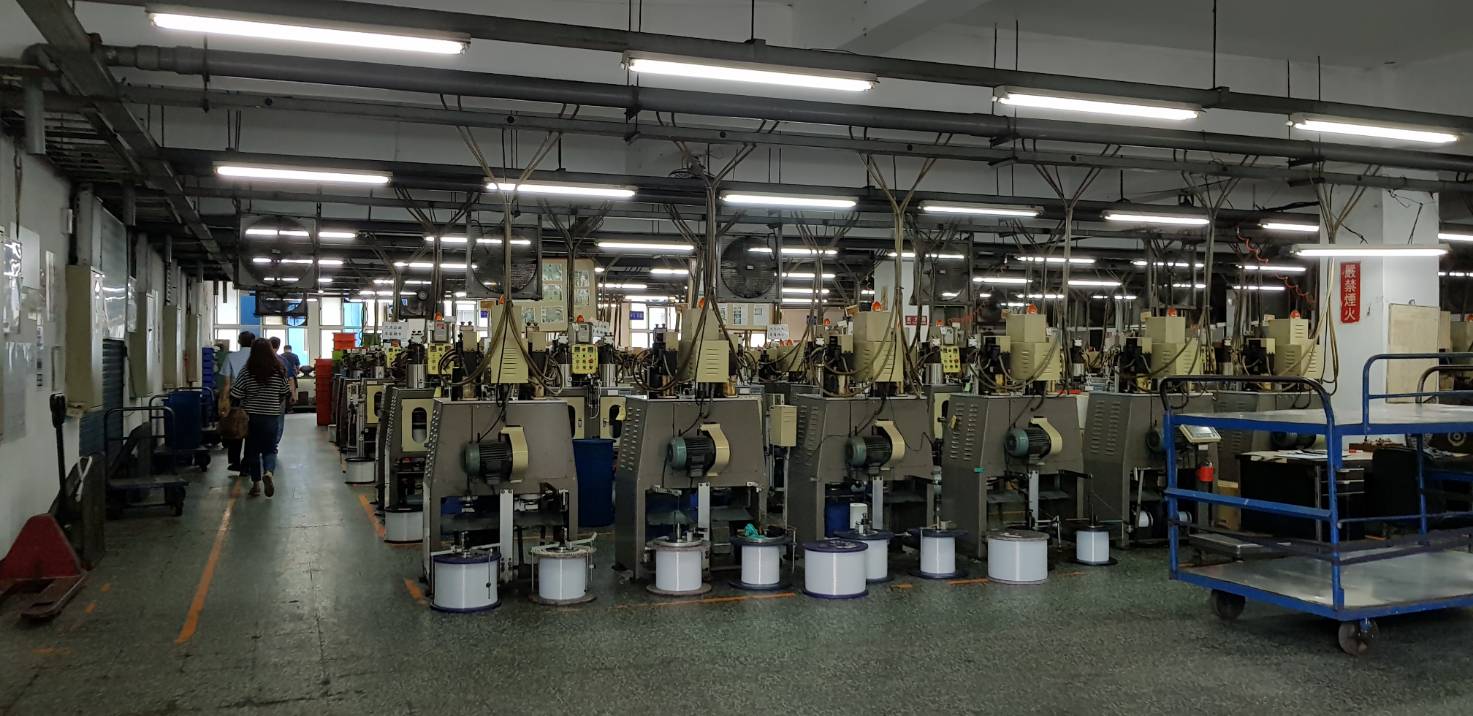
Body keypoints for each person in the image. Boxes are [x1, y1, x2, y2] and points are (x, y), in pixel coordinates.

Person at [230, 338, 292, 497]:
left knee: (252, 451)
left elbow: (236, 393)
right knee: (270, 449)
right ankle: (269, 473)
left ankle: (256, 484)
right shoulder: (279, 370)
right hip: (271, 416)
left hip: (251, 417)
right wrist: (274, 402)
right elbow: (285, 392)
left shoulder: (247, 370)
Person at [218, 331, 256, 472]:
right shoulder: (257, 356)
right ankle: (249, 461)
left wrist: (224, 400)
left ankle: (235, 462)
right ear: (253, 342)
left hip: (236, 396)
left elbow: (226, 384)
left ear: (239, 342)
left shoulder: (231, 357)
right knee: (251, 429)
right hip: (254, 396)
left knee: (235, 426)